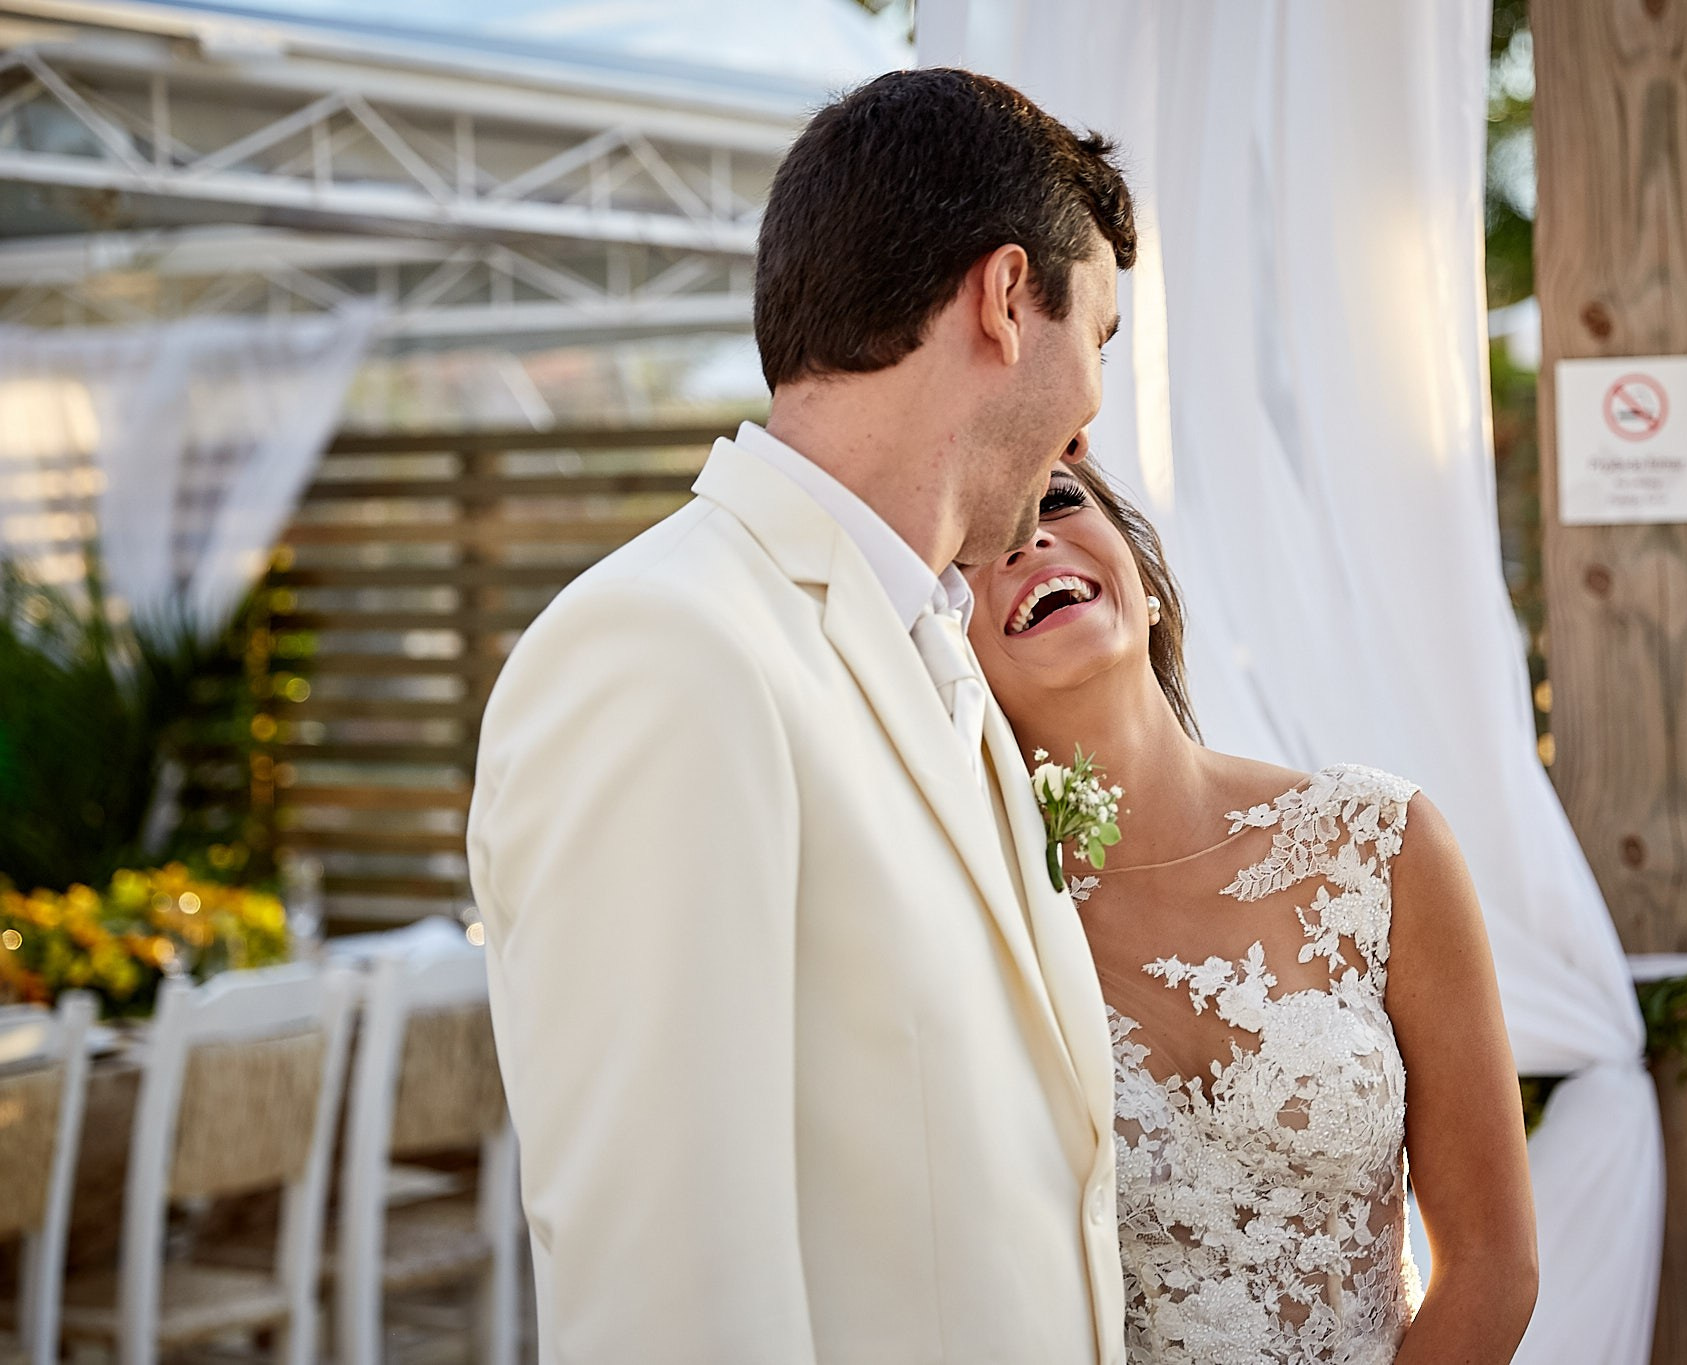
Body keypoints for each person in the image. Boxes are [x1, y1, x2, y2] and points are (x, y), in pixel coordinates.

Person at [467, 69, 1134, 1363]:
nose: (1091, 428)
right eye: (1097, 338)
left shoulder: (927, 650)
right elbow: (666, 1287)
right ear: (1005, 299)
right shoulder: (666, 649)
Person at [963, 461, 1540, 1365]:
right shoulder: (982, 918)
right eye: (970, 549)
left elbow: (1492, 1260)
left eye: (1060, 501)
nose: (1026, 539)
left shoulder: (1379, 842)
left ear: (1146, 582)